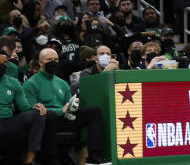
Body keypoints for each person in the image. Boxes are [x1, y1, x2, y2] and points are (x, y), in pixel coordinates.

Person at [25, 47, 110, 164]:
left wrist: (74, 105)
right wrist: (61, 110)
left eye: (56, 59)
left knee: (95, 111)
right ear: (40, 62)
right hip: (45, 120)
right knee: (48, 115)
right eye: (49, 59)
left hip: (65, 118)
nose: (53, 62)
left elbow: (68, 105)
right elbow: (31, 109)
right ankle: (51, 158)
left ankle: (94, 154)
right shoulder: (30, 83)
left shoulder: (62, 83)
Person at [0, 36, 45, 165]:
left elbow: (24, 106)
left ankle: (29, 161)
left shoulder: (13, 82)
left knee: (38, 113)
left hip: (7, 122)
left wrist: (34, 107)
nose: (2, 66)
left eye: (4, 63)